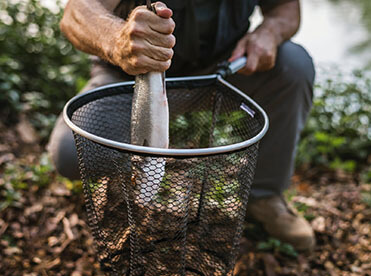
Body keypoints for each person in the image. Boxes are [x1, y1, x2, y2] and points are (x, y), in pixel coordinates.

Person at [48, 0, 316, 251]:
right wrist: (118, 40)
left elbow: (286, 9)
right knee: (71, 152)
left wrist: (269, 32)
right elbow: (76, 13)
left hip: (226, 70)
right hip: (132, 76)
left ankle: (264, 198)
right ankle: (122, 183)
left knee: (294, 65)